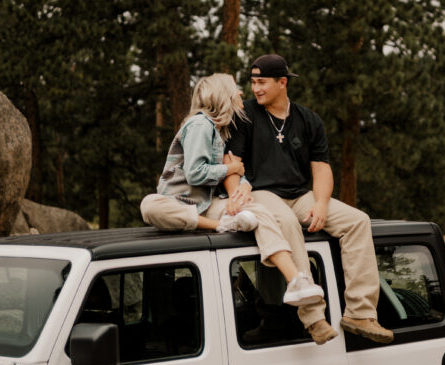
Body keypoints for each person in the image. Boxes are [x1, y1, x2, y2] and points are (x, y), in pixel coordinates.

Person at [224, 54, 394, 344]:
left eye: (262, 82)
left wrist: (321, 204)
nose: (256, 89)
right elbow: (232, 162)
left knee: (357, 221)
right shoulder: (245, 115)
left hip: (301, 194)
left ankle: (360, 314)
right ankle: (314, 317)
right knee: (287, 223)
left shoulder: (308, 119)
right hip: (261, 193)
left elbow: (322, 168)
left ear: (283, 82)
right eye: (253, 83)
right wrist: (234, 196)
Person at [140, 73, 328, 313]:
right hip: (176, 203)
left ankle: (296, 280)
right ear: (222, 96)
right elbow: (196, 173)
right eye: (236, 89)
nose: (242, 93)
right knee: (148, 205)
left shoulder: (221, 130)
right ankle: (220, 226)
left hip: (206, 202)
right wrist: (231, 168)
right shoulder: (200, 124)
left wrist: (244, 188)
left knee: (260, 212)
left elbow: (237, 172)